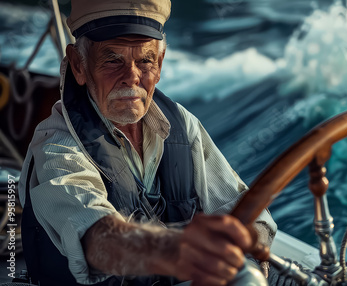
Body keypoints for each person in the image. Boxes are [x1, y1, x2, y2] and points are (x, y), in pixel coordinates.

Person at [18, 0, 277, 285]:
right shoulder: (55, 147)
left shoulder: (182, 124)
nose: (132, 77)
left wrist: (250, 241)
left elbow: (242, 209)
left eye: (145, 61)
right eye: (113, 60)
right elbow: (97, 238)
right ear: (79, 65)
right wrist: (178, 248)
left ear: (161, 64)